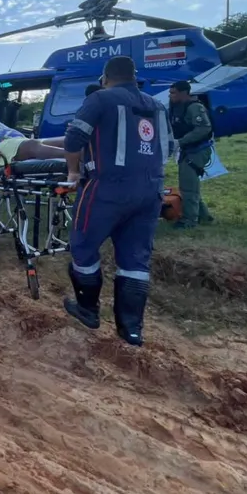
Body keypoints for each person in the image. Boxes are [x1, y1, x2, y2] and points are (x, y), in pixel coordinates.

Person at [61, 56, 169, 347]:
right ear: (134, 77)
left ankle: (88, 310)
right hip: (151, 190)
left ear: (105, 77)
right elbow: (170, 147)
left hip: (107, 188)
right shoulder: (157, 105)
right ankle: (131, 329)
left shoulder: (100, 99)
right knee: (135, 258)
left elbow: (73, 140)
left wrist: (75, 170)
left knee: (83, 245)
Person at [168, 80, 215, 229]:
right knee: (190, 185)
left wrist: (180, 142)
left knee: (188, 187)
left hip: (197, 150)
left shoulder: (195, 107)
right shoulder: (177, 107)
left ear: (183, 93)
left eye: (173, 93)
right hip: (188, 149)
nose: (170, 95)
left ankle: (189, 221)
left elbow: (203, 128)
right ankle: (203, 216)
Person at [0, 113, 65, 166]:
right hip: (1, 148)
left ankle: (77, 151)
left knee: (64, 140)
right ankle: (73, 155)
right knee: (32, 144)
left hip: (21, 142)